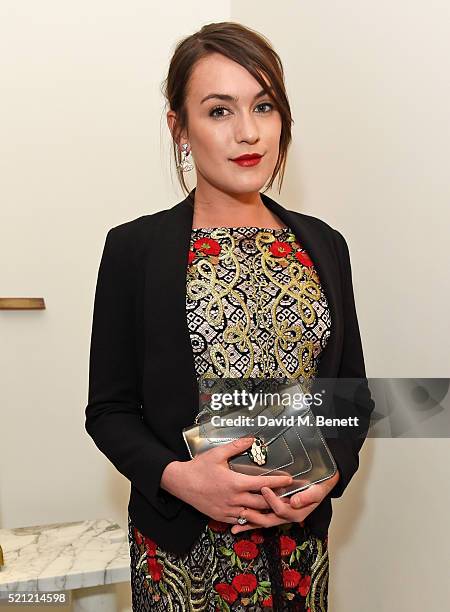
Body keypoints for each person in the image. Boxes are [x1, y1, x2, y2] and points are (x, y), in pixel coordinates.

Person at [85, 21, 375, 612]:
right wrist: (179, 477)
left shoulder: (323, 244)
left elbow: (351, 396)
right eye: (219, 111)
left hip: (298, 550)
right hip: (182, 554)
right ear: (180, 127)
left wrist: (328, 477)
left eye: (263, 106)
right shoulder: (135, 250)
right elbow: (109, 411)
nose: (248, 133)